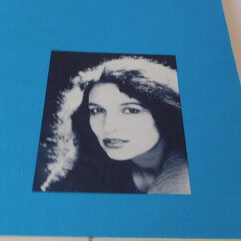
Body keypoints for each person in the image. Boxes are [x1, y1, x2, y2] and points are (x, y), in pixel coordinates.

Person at [38, 55, 191, 194]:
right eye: (97, 110)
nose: (108, 127)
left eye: (131, 110)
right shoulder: (81, 172)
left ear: (164, 114)